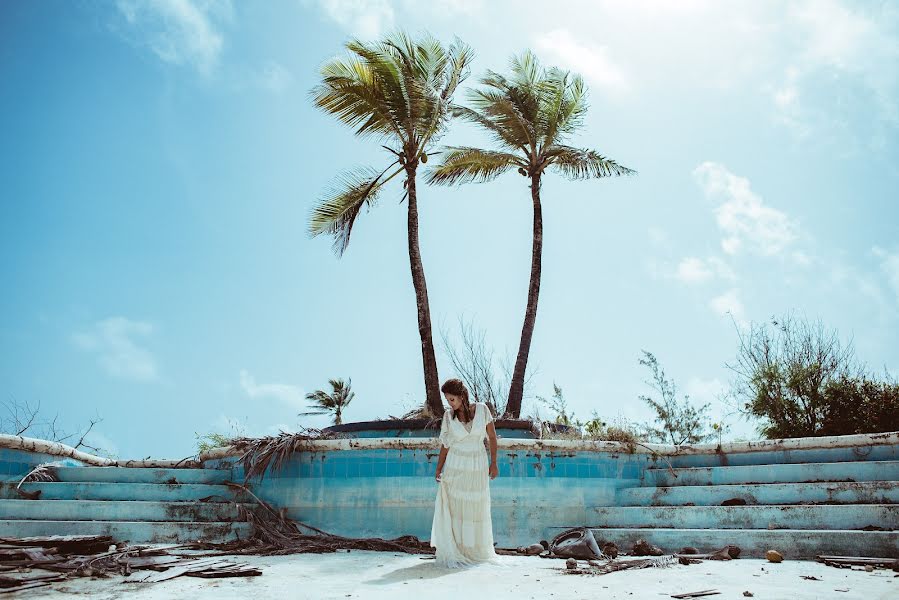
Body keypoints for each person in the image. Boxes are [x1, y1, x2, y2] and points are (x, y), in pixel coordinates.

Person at [430, 378, 500, 568]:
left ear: (462, 396)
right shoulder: (448, 417)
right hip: (456, 466)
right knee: (455, 509)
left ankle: (474, 551)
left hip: (477, 464)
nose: (450, 404)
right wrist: (438, 468)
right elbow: (445, 445)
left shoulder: (483, 409)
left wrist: (494, 463)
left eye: (452, 399)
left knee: (476, 507)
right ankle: (457, 549)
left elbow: (492, 438)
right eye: (447, 400)